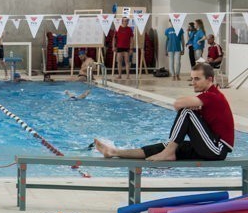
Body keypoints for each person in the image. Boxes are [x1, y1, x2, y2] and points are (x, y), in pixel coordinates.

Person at [94, 63, 233, 161]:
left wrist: (189, 106)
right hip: (208, 145)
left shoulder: (212, 96)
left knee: (187, 113)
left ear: (210, 79)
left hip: (217, 149)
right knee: (164, 146)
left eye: (197, 79)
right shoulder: (207, 97)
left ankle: (169, 152)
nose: (193, 82)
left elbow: (178, 104)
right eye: (192, 79)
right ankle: (114, 152)